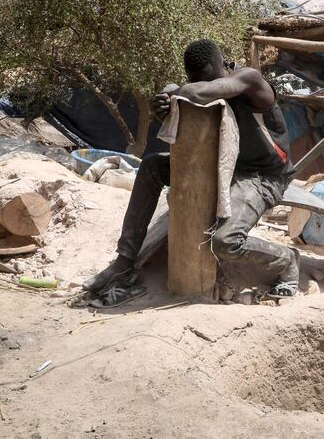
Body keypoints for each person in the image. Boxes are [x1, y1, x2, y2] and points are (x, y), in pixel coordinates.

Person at [84, 39, 299, 305]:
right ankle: (124, 261)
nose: (197, 83)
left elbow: (200, 93)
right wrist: (165, 106)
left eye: (204, 77)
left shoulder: (249, 79)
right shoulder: (197, 86)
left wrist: (174, 93)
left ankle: (286, 260)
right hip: (222, 165)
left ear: (217, 66)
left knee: (225, 241)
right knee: (152, 166)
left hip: (262, 176)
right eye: (192, 79)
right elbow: (189, 103)